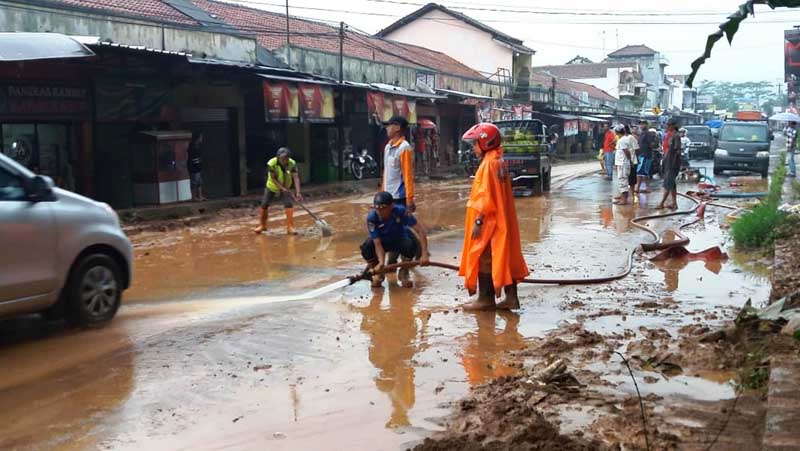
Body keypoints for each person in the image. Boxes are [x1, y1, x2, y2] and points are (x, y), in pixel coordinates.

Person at [458, 123, 530, 311]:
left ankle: (485, 298)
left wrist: (479, 222)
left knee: (484, 257)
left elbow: (485, 197)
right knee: (504, 254)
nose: (473, 148)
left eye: (475, 144)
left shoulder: (489, 164)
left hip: (490, 220)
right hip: (500, 218)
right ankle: (511, 298)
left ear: (485, 143)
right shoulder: (498, 160)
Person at [360, 191, 430, 288]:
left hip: (399, 240)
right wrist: (381, 262)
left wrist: (424, 253)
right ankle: (377, 272)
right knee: (366, 246)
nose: (380, 211)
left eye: (383, 208)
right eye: (377, 208)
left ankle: (404, 270)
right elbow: (377, 243)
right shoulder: (372, 218)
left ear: (391, 206)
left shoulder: (401, 211)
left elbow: (420, 230)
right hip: (383, 243)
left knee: (411, 243)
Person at [254, 147, 303, 235]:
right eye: (282, 158)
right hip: (272, 186)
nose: (284, 161)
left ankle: (290, 227)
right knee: (264, 204)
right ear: (278, 157)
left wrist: (298, 192)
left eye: (286, 158)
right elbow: (273, 178)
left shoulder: (292, 163)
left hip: (286, 187)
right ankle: (262, 225)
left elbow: (295, 177)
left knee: (288, 204)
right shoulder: (271, 163)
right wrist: (281, 188)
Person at [382, 115, 416, 212]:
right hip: (387, 196)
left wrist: (409, 199)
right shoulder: (388, 147)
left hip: (399, 197)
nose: (387, 128)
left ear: (397, 128)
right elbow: (386, 172)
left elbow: (407, 175)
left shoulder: (404, 148)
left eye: (389, 125)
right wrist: (382, 192)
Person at [658, 119, 682, 210]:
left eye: (668, 125)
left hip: (672, 164)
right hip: (668, 162)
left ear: (672, 126)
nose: (666, 126)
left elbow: (677, 151)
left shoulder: (676, 136)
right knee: (672, 184)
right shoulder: (671, 136)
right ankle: (674, 203)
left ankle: (661, 203)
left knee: (667, 184)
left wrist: (673, 163)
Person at [613, 125, 633, 205]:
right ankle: (623, 198)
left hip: (623, 163)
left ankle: (624, 200)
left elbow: (626, 152)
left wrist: (630, 161)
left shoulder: (622, 140)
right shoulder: (623, 139)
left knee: (623, 181)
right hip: (622, 163)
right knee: (623, 181)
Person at [636, 120, 656, 193]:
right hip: (641, 155)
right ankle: (645, 187)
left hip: (646, 155)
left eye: (643, 124)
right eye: (640, 124)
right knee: (644, 173)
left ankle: (638, 187)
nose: (641, 126)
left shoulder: (648, 134)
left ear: (647, 125)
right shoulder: (641, 134)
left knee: (640, 172)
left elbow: (651, 144)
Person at [187, 132, 206, 201]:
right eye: (201, 137)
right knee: (194, 182)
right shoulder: (192, 146)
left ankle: (200, 196)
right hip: (194, 167)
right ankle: (193, 197)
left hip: (198, 166)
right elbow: (192, 158)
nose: (201, 139)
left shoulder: (198, 146)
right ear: (197, 138)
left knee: (199, 182)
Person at [626, 125, 639, 196]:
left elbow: (636, 149)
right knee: (624, 178)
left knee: (632, 179)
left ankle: (632, 193)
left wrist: (633, 158)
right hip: (624, 162)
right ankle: (625, 194)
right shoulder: (621, 138)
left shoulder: (631, 138)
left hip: (632, 161)